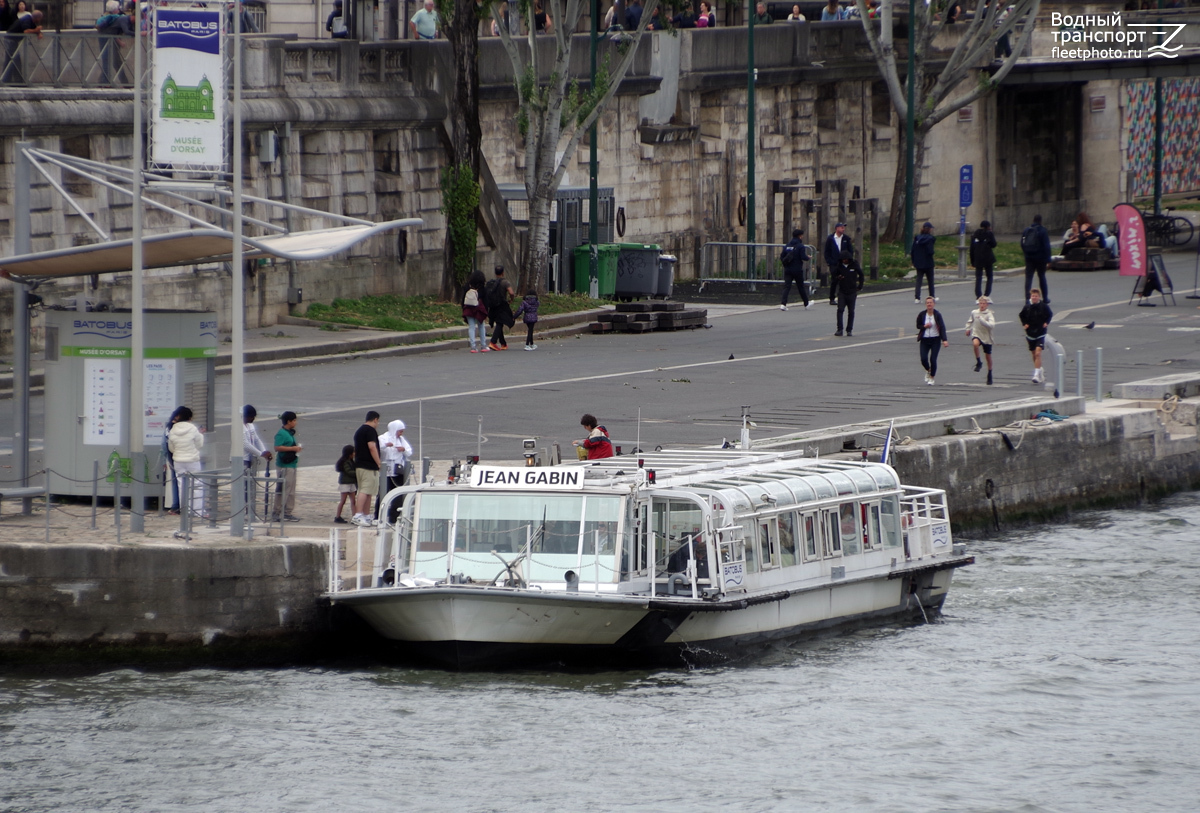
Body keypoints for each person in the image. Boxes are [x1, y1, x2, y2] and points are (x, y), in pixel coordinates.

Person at [167, 406, 205, 516]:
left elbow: (171, 447)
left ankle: (185, 510)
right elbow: (199, 444)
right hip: (192, 460)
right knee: (197, 485)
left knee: (181, 486)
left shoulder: (173, 429)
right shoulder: (192, 428)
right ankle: (197, 511)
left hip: (178, 460)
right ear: (189, 417)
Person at [376, 419, 412, 524]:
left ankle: (393, 517)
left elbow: (409, 451)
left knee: (398, 494)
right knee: (382, 493)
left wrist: (403, 450)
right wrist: (387, 445)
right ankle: (378, 516)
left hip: (397, 470)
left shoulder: (401, 440)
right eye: (399, 431)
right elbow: (378, 447)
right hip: (385, 470)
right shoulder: (382, 438)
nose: (401, 433)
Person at [352, 411, 382, 527]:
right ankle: (358, 515)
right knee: (364, 490)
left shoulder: (359, 431)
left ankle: (366, 515)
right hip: (367, 465)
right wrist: (378, 462)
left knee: (369, 491)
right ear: (375, 419)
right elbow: (372, 447)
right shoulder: (370, 431)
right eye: (377, 421)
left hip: (360, 465)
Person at [271, 411, 302, 522]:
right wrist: (292, 449)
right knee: (283, 488)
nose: (295, 422)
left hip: (292, 463)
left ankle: (288, 511)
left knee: (291, 490)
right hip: (284, 465)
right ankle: (276, 511)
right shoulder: (281, 433)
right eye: (294, 420)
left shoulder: (289, 433)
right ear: (289, 421)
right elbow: (277, 447)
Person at [242, 404, 272, 512]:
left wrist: (264, 451)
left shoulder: (250, 426)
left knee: (250, 485)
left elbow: (256, 440)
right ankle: (242, 508)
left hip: (250, 459)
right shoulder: (239, 427)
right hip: (241, 459)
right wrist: (260, 453)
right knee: (243, 486)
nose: (253, 419)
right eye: (252, 417)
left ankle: (249, 509)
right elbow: (245, 444)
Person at [1019, 288, 1053, 384]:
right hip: (1030, 333)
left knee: (1038, 353)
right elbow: (1021, 315)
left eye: (1036, 296)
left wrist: (1046, 323)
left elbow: (1050, 314)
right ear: (1031, 296)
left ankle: (1036, 375)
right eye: (1033, 296)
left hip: (1041, 333)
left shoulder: (1043, 306)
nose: (1034, 298)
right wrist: (1024, 324)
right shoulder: (1027, 307)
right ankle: (1039, 370)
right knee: (1034, 354)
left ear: (1039, 297)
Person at [831, 248, 864, 337]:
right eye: (843, 259)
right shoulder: (839, 266)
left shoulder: (854, 265)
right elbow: (834, 277)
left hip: (852, 292)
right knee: (840, 310)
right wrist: (838, 277)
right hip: (842, 291)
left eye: (846, 259)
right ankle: (839, 329)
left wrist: (860, 286)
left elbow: (861, 275)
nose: (844, 261)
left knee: (851, 311)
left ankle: (849, 330)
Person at [161, 406, 188, 515]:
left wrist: (165, 459)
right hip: (183, 457)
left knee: (176, 482)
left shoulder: (169, 427)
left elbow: (164, 445)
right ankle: (182, 506)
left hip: (173, 457)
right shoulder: (183, 427)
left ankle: (176, 506)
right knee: (185, 482)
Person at [916, 296, 948, 385]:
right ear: (926, 304)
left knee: (933, 359)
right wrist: (924, 326)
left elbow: (942, 327)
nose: (929, 304)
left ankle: (932, 377)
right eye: (927, 303)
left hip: (935, 340)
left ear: (934, 304)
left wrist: (944, 340)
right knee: (923, 359)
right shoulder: (922, 314)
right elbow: (918, 325)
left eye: (931, 302)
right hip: (925, 340)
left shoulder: (937, 315)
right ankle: (928, 370)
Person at [1021, 214, 1052, 304]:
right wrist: (1048, 259)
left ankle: (1027, 298)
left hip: (1029, 257)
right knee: (1041, 276)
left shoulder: (1027, 230)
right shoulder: (1043, 230)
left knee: (1029, 277)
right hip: (1040, 258)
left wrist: (1026, 253)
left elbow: (1022, 243)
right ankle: (1045, 297)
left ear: (1033, 220)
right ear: (1041, 221)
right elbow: (1046, 246)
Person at [965, 296, 996, 385]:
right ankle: (978, 361)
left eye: (984, 303)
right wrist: (968, 329)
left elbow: (992, 325)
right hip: (977, 333)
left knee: (988, 357)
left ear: (987, 304)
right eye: (980, 303)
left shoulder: (989, 314)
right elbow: (970, 321)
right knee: (975, 344)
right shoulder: (974, 312)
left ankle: (989, 373)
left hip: (986, 336)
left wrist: (983, 321)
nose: (982, 305)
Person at [779, 228, 811, 311]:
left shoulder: (787, 245)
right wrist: (808, 257)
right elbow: (803, 257)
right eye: (802, 235)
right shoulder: (800, 246)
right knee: (800, 287)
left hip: (788, 269)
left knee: (787, 286)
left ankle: (783, 304)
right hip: (797, 269)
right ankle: (806, 303)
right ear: (800, 236)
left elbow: (782, 256)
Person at [485, 266, 515, 351]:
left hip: (492, 306)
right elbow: (511, 292)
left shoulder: (491, 282)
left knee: (499, 322)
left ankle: (503, 343)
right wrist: (511, 299)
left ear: (495, 273)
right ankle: (493, 342)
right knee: (500, 323)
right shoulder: (505, 282)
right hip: (501, 305)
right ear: (503, 273)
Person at [823, 222, 852, 305]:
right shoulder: (830, 239)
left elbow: (850, 250)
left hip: (844, 263)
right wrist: (830, 262)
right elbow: (827, 252)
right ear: (837, 229)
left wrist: (848, 260)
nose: (843, 229)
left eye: (844, 227)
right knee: (835, 280)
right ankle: (832, 298)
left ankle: (843, 297)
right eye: (841, 227)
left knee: (844, 280)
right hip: (834, 263)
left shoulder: (846, 238)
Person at [462, 269, 489, 353]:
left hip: (468, 308)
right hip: (479, 308)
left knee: (471, 326)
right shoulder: (482, 288)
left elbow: (463, 298)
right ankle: (483, 345)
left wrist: (463, 307)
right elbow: (485, 300)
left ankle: (473, 347)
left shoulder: (467, 286)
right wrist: (486, 310)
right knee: (481, 326)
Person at [970, 219, 997, 299]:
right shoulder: (989, 234)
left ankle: (978, 295)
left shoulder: (975, 235)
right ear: (988, 227)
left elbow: (972, 248)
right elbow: (994, 244)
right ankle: (986, 294)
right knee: (989, 276)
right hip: (988, 258)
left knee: (978, 277)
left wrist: (972, 260)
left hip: (978, 258)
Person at [911, 221, 937, 303]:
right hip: (928, 262)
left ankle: (917, 297)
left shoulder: (917, 239)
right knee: (930, 280)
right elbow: (930, 251)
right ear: (929, 230)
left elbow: (913, 251)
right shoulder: (930, 239)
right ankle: (932, 296)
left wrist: (914, 261)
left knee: (919, 280)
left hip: (919, 262)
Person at [334, 445, 356, 524]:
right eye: (353, 452)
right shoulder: (346, 462)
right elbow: (349, 472)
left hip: (351, 483)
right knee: (343, 501)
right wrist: (357, 473)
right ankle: (337, 516)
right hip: (345, 484)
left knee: (353, 501)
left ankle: (354, 517)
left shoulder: (351, 461)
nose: (354, 454)